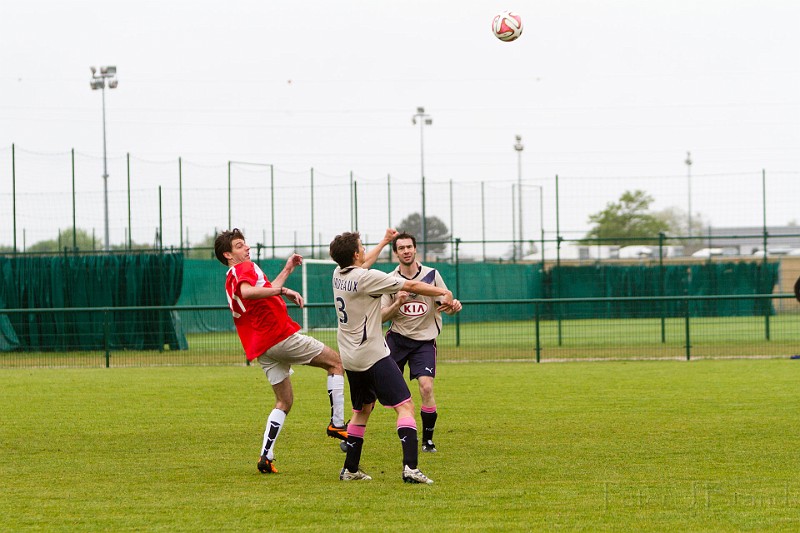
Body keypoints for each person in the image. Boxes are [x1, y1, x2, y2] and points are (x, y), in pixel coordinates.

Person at [215, 228, 348, 475]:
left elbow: (262, 290)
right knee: (336, 363)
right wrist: (284, 291)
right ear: (228, 254)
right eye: (240, 245)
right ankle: (337, 423)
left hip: (262, 348)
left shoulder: (231, 275)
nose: (247, 248)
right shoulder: (244, 268)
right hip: (278, 336)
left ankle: (266, 455)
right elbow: (249, 292)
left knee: (284, 401)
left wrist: (287, 270)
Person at [329, 228, 454, 484]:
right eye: (362, 246)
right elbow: (411, 284)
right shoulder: (368, 278)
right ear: (355, 253)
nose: (365, 249)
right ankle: (411, 468)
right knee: (405, 406)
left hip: (350, 356)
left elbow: (362, 264)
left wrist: (384, 241)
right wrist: (443, 293)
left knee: (362, 410)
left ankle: (350, 469)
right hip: (372, 354)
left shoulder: (338, 273)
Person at [380, 233, 462, 454]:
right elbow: (382, 316)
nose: (406, 251)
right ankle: (352, 433)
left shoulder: (432, 275)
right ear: (395, 253)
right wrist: (398, 302)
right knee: (374, 387)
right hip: (396, 340)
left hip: (424, 342)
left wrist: (454, 306)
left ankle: (427, 441)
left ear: (415, 249)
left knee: (426, 387)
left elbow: (446, 303)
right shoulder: (390, 280)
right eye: (401, 248)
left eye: (409, 247)